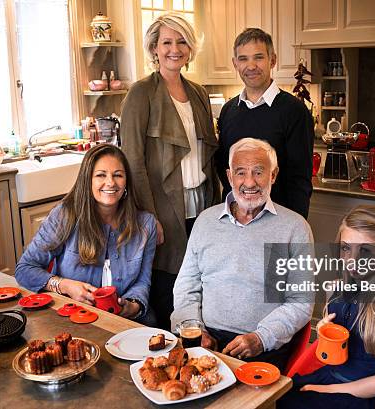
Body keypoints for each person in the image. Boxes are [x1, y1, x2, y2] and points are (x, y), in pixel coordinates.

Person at [171, 138, 314, 371]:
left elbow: (301, 302)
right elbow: (186, 286)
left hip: (263, 346)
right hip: (206, 339)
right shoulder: (205, 221)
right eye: (240, 173)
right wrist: (195, 331)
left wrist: (261, 338)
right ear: (229, 177)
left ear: (273, 175)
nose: (249, 182)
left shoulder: (295, 228)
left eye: (259, 172)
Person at [120, 13, 221, 330]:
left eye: (181, 42)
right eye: (167, 42)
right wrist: (149, 217)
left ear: (190, 49)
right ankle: (168, 355)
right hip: (163, 207)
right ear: (154, 48)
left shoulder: (199, 93)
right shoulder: (140, 94)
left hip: (202, 203)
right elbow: (133, 160)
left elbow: (208, 154)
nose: (174, 49)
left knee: (200, 282)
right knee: (168, 285)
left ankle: (199, 353)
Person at [278, 205, 375, 409]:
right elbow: (332, 355)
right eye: (346, 248)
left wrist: (327, 390)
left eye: (365, 250)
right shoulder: (336, 290)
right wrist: (324, 333)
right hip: (331, 377)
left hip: (366, 395)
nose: (353, 260)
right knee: (278, 399)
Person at [15, 144, 157, 324]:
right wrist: (64, 285)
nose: (111, 183)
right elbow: (25, 268)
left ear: (126, 182)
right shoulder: (64, 215)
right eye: (101, 175)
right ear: (87, 180)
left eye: (118, 175)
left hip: (126, 320)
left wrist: (133, 306)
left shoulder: (146, 224)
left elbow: (142, 281)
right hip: (74, 318)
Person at [216, 28, 313, 219]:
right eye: (243, 59)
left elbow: (300, 180)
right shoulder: (228, 110)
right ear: (235, 64)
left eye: (258, 57)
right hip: (235, 220)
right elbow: (224, 169)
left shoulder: (295, 111)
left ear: (273, 60)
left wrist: (294, 226)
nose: (251, 66)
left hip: (277, 220)